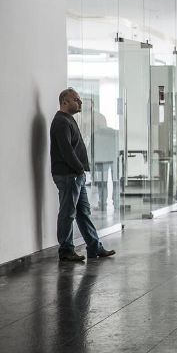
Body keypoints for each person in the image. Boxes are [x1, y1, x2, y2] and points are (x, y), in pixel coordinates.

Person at [50, 88, 116, 262]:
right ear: (65, 102)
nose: (80, 102)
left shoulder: (68, 119)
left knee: (83, 212)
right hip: (68, 175)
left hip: (75, 175)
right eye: (76, 99)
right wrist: (79, 169)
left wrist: (80, 171)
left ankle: (94, 247)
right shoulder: (61, 122)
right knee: (68, 213)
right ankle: (66, 250)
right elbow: (66, 151)